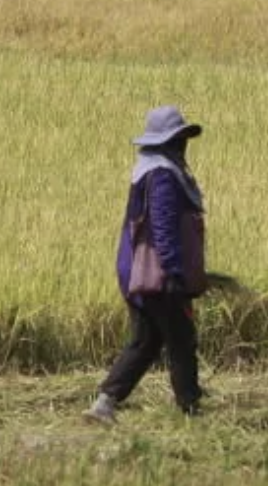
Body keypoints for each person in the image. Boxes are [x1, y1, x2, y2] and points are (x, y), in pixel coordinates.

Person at [85, 105, 209, 425]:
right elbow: (164, 226)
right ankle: (190, 408)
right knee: (181, 339)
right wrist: (174, 272)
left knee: (147, 340)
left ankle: (105, 401)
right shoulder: (164, 176)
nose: (183, 144)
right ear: (168, 142)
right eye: (179, 138)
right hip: (156, 274)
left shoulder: (147, 170)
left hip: (134, 269)